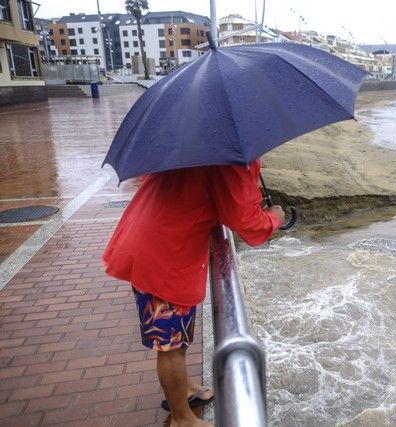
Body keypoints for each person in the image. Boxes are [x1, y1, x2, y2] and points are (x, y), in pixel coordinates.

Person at [103, 159, 284, 427]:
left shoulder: (198, 145)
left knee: (177, 337)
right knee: (170, 347)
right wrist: (273, 218)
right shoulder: (228, 158)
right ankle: (182, 418)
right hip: (163, 255)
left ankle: (184, 388)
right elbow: (244, 219)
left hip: (153, 239)